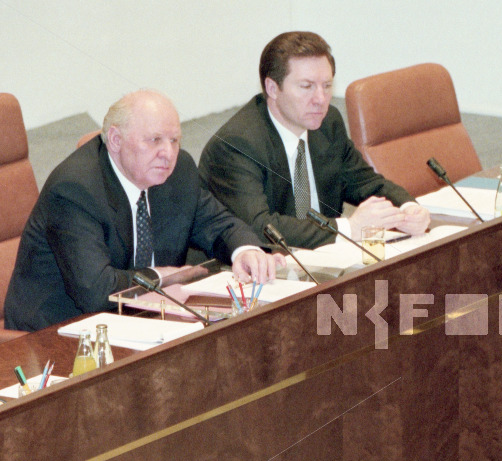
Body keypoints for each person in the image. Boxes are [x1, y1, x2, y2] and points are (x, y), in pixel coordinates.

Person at [4, 90, 283, 332]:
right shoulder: (74, 190)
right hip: (59, 329)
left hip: (144, 315)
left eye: (174, 140)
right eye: (154, 140)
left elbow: (219, 224)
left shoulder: (178, 171)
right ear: (115, 140)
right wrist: (162, 276)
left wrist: (245, 251)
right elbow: (96, 292)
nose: (168, 153)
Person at [198, 31, 431, 249]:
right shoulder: (236, 145)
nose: (320, 99)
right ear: (272, 88)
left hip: (328, 259)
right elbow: (260, 228)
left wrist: (409, 208)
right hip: (265, 270)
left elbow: (364, 182)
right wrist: (348, 228)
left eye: (327, 86)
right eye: (307, 86)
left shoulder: (328, 123)